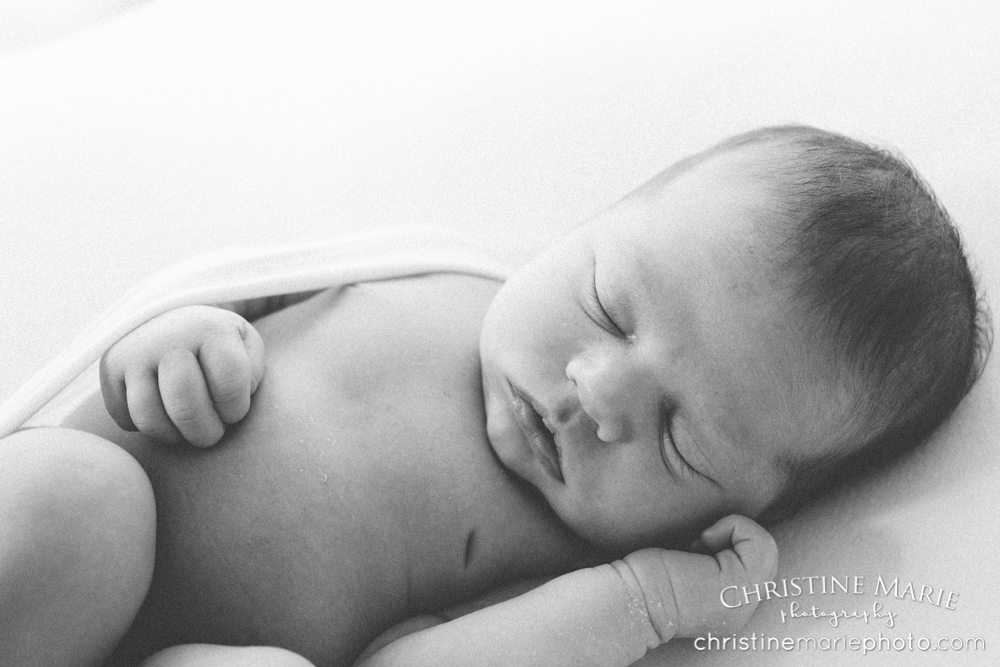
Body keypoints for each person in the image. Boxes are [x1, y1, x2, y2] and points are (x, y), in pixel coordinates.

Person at [0, 125, 987, 667]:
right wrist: (176, 347)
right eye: (607, 305)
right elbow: (229, 294)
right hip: (65, 532)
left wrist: (640, 604)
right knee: (84, 502)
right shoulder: (433, 272)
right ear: (589, 221)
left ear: (734, 510)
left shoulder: (566, 557)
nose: (597, 393)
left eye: (682, 437)